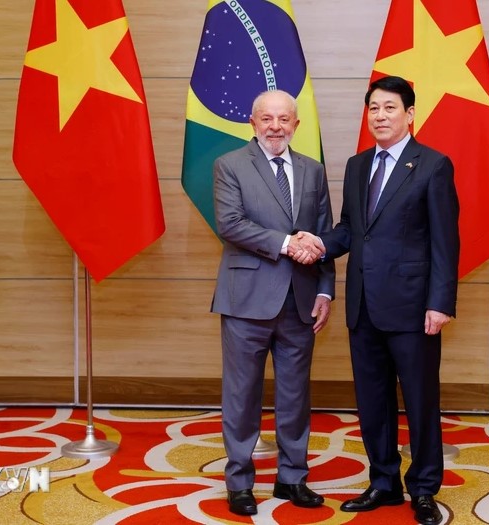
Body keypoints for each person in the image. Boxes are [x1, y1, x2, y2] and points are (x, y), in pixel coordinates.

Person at [294, 75, 459, 525]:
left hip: (413, 307)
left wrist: (440, 302)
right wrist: (319, 243)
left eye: (390, 108)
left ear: (410, 114)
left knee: (421, 402)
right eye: (374, 108)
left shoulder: (433, 165)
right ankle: (384, 482)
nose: (380, 116)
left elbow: (446, 241)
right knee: (373, 401)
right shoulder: (357, 165)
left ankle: (423, 488)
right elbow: (351, 229)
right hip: (363, 305)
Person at [210, 89, 335, 516]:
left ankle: (292, 477)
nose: (276, 127)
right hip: (246, 301)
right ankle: (240, 482)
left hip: (301, 301)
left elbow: (323, 234)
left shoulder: (313, 170)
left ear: (296, 125)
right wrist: (286, 243)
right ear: (253, 122)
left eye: (284, 119)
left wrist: (325, 290)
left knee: (295, 396)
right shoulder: (230, 165)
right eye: (267, 118)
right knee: (242, 396)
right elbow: (230, 224)